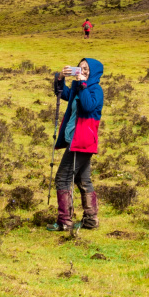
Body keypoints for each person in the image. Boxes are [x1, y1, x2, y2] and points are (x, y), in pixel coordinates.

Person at [52, 57, 104, 231]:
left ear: (94, 72)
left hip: (82, 141)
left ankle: (64, 221)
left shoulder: (96, 90)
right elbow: (62, 93)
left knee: (63, 178)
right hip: (74, 139)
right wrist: (61, 77)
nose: (83, 71)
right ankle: (90, 220)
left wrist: (82, 84)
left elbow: (88, 106)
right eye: (80, 68)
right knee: (83, 179)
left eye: (86, 69)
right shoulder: (78, 87)